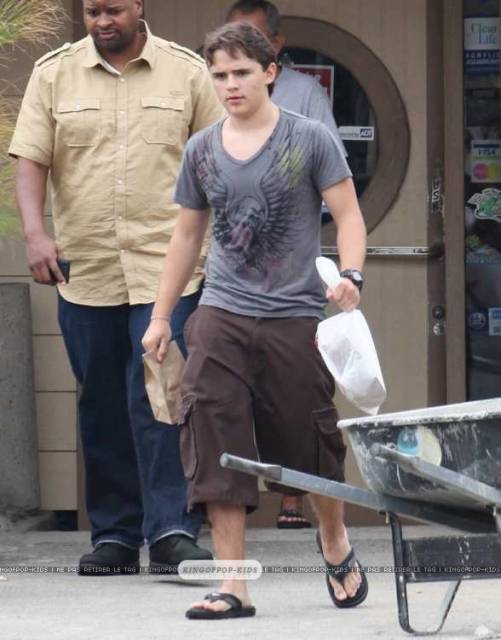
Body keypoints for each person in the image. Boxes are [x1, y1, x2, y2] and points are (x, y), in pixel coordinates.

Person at [142, 22, 368, 619]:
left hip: (294, 313)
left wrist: (351, 274)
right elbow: (186, 234)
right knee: (213, 435)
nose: (230, 85)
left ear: (270, 72)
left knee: (309, 440)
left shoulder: (310, 138)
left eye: (241, 72)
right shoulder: (202, 149)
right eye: (219, 75)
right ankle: (233, 584)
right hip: (221, 310)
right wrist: (162, 316)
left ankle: (334, 539)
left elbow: (348, 215)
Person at [9, 0, 223, 576]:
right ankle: (116, 536)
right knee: (101, 402)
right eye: (92, 11)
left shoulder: (187, 72)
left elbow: (218, 160)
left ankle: (173, 530)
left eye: (114, 10)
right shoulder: (53, 73)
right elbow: (31, 160)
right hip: (87, 269)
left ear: (139, 7)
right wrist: (35, 235)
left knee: (162, 395)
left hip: (168, 268)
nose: (102, 21)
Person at [226, 0, 345, 529]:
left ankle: (296, 498)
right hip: (227, 272)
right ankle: (224, 509)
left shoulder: (305, 95)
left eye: (252, 38)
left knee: (294, 394)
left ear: (275, 47)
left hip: (290, 271)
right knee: (224, 393)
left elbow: (332, 182)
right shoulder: (215, 93)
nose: (237, 55)